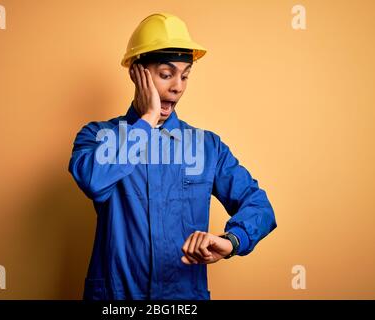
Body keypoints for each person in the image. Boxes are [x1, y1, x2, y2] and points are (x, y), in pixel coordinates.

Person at [68, 12, 277, 300]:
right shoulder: (98, 137)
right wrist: (147, 119)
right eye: (166, 74)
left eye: (185, 75)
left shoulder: (207, 147)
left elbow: (260, 206)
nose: (177, 86)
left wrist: (231, 241)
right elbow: (93, 181)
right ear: (136, 73)